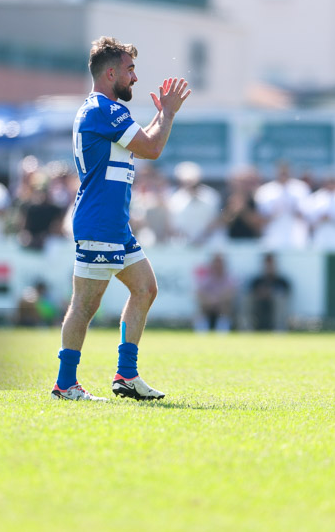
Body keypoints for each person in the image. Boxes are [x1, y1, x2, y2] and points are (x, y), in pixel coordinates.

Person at [52, 36, 190, 402]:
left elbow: (143, 143)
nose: (135, 77)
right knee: (84, 305)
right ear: (110, 73)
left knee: (145, 289)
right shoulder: (105, 109)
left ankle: (126, 376)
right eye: (130, 70)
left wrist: (161, 115)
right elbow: (152, 147)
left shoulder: (101, 110)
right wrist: (168, 113)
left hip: (113, 225)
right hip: (100, 223)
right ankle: (65, 385)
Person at [247, 252, 292, 331]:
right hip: (258, 306)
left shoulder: (282, 281)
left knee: (280, 299)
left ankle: (279, 328)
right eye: (267, 265)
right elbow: (250, 291)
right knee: (247, 299)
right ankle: (246, 328)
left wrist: (271, 293)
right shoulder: (257, 281)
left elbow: (286, 292)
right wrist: (260, 294)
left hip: (275, 307)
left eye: (271, 264)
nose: (269, 267)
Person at [195, 252, 237, 333]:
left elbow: (231, 292)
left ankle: (222, 331)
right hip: (208, 304)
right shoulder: (206, 277)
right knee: (201, 306)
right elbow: (198, 292)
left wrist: (217, 300)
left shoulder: (229, 277)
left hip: (222, 304)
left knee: (225, 306)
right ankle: (201, 331)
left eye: (219, 263)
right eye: (216, 263)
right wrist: (209, 300)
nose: (218, 265)